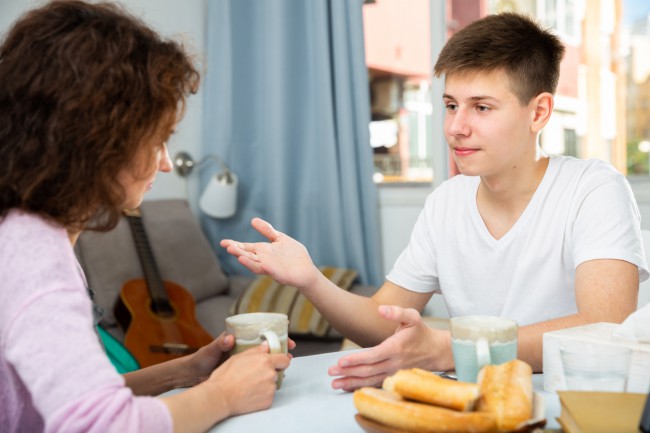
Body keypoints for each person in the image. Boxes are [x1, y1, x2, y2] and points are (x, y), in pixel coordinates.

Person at [222, 12, 648, 391]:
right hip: (472, 403)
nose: (456, 127)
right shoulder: (446, 202)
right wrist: (311, 279)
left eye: (481, 107)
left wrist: (450, 348)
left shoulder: (593, 189)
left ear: (538, 113)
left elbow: (604, 325)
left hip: (576, 405)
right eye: (450, 105)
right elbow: (380, 322)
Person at [0, 1, 291, 432]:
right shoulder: (31, 253)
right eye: (159, 140)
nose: (167, 164)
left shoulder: (30, 233)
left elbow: (82, 400)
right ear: (98, 137)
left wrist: (186, 371)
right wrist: (223, 395)